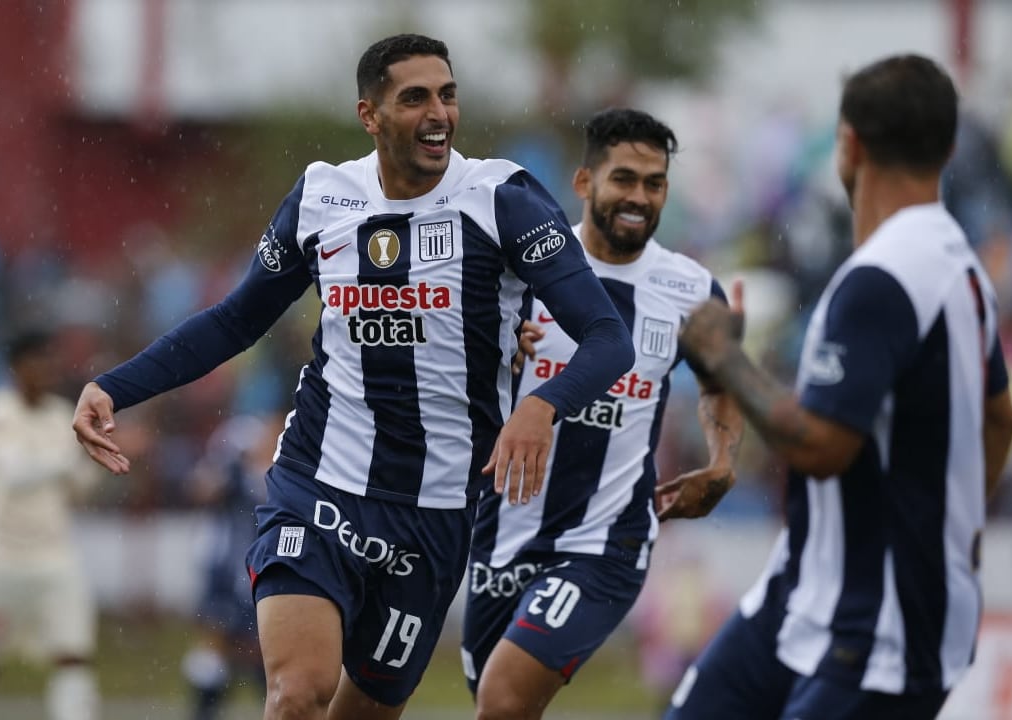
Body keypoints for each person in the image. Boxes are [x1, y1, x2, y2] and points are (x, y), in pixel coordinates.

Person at [72, 33, 635, 720]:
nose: (438, 114)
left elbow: (609, 338)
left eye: (447, 95)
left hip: (435, 510)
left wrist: (540, 406)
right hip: (319, 480)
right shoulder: (321, 196)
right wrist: (114, 386)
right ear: (369, 115)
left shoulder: (502, 199)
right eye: (415, 98)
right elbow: (234, 321)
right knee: (296, 695)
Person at [667, 54, 1012, 720]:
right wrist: (960, 530)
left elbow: (819, 445)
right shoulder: (960, 267)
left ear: (848, 144)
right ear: (947, 148)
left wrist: (723, 356)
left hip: (875, 625)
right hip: (804, 593)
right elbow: (999, 419)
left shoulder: (880, 279)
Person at [460, 107, 745, 720]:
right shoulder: (521, 271)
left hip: (606, 540)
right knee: (497, 701)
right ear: (585, 182)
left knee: (503, 697)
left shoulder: (691, 291)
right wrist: (497, 353)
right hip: (501, 528)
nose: (638, 197)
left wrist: (723, 460)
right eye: (623, 179)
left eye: (654, 182)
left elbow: (721, 384)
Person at [0, 329, 102, 720]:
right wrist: (68, 458)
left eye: (49, 360)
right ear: (15, 367)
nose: (46, 369)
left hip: (54, 556)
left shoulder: (61, 415)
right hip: (1, 557)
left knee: (73, 658)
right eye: (36, 360)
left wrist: (101, 449)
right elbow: (12, 473)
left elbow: (80, 487)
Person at [180, 412, 278, 719]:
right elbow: (200, 488)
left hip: (261, 570)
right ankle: (204, 709)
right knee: (216, 642)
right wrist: (228, 469)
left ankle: (274, 700)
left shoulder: (281, 475)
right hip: (226, 568)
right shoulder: (234, 464)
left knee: (263, 647)